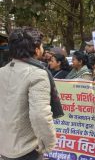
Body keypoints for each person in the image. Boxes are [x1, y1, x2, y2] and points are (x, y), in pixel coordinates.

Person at [0, 27, 57, 159]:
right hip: (27, 149)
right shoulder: (38, 74)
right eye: (42, 45)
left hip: (4, 146)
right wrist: (49, 143)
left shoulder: (1, 71)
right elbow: (40, 115)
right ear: (37, 50)